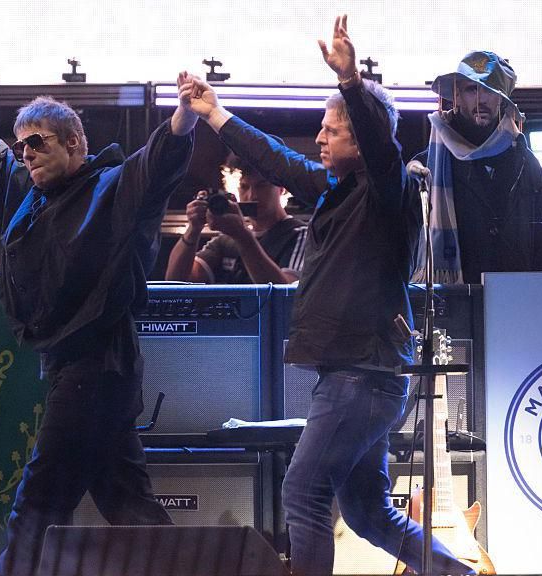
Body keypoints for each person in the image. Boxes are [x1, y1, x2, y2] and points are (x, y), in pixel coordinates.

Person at [180, 16, 473, 576]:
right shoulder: (339, 190)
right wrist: (214, 113)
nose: (318, 138)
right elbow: (277, 160)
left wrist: (351, 83)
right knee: (368, 514)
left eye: (330, 130)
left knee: (303, 495)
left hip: (362, 375)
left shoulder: (390, 189)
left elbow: (382, 145)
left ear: (361, 143)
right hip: (356, 375)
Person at [0, 58, 198, 576]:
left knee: (38, 504)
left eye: (38, 142)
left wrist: (185, 115)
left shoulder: (112, 188)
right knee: (130, 507)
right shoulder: (23, 192)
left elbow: (156, 162)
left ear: (74, 144)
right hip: (77, 372)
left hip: (98, 367)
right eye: (22, 144)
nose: (26, 153)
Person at [410, 50, 542, 284]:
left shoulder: (525, 161)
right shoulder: (427, 166)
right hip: (454, 302)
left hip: (514, 298)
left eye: (490, 90)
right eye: (472, 89)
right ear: (457, 95)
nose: (481, 99)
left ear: (502, 99)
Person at [165, 154, 307, 284]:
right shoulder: (227, 239)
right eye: (244, 187)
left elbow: (285, 296)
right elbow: (176, 281)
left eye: (262, 186)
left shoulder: (301, 235)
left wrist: (242, 236)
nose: (252, 196)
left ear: (281, 188)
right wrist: (193, 229)